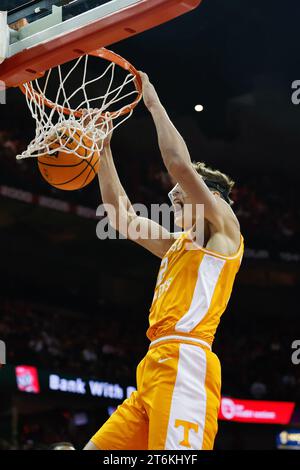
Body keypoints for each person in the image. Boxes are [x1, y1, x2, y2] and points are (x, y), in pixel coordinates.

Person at [84, 72, 244, 450]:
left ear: (213, 197)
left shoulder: (223, 231)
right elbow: (121, 216)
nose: (172, 196)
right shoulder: (178, 245)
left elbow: (179, 165)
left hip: (187, 364)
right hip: (154, 366)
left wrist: (153, 104)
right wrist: (102, 150)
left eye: (181, 193)